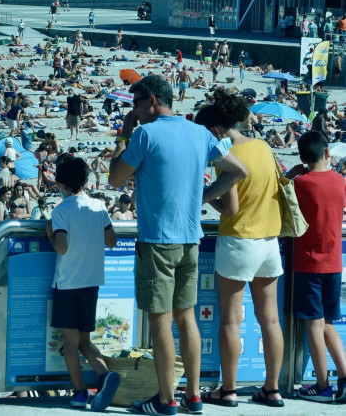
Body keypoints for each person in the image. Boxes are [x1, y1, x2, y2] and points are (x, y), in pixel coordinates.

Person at [107, 75, 247, 415]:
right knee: (187, 319)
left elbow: (114, 177)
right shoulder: (198, 132)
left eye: (136, 104)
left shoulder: (145, 134)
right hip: (190, 238)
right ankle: (194, 396)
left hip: (158, 241)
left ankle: (166, 399)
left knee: (160, 321)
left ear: (152, 100)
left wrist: (124, 134)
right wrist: (204, 194)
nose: (135, 111)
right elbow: (237, 170)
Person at [193, 90, 285, 407]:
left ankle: (228, 390)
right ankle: (272, 389)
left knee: (231, 320)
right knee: (270, 320)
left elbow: (230, 209)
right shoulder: (263, 147)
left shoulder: (225, 156)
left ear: (216, 131)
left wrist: (204, 196)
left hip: (238, 240)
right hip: (269, 241)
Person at [45, 154, 121, 411]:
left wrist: (49, 232)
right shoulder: (98, 206)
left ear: (59, 184)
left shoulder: (61, 210)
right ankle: (105, 375)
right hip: (91, 282)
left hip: (67, 283)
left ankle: (79, 393)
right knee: (85, 340)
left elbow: (62, 248)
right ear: (86, 180)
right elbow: (112, 240)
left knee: (70, 342)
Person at [288, 130, 346, 403]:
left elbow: (281, 194)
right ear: (327, 153)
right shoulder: (340, 181)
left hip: (309, 262)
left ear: (302, 157)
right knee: (328, 323)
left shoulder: (300, 183)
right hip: (334, 261)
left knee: (313, 322)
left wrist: (291, 173)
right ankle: (343, 376)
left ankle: (322, 385)